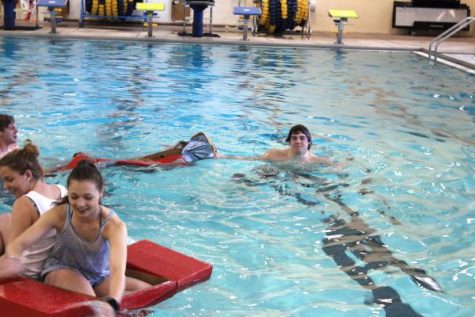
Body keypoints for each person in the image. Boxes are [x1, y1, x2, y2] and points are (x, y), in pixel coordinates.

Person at [0, 159, 149, 312]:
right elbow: (21, 243)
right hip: (62, 270)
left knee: (147, 293)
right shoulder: (60, 214)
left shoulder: (114, 226)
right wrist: (12, 255)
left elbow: (117, 270)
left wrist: (113, 303)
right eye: (74, 196)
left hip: (99, 276)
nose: (80, 204)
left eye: (88, 197)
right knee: (92, 308)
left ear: (100, 192)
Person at [0, 140, 67, 278]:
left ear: (28, 175)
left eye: (9, 179)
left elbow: (12, 257)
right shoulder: (62, 191)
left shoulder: (25, 203)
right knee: (5, 218)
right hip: (52, 265)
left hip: (28, 273)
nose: (6, 186)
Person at [47, 132, 217, 174]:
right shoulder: (187, 155)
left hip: (160, 161)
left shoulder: (180, 151)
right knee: (117, 163)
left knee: (117, 162)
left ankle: (78, 162)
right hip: (159, 163)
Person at [261, 124, 332, 165]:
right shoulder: (274, 154)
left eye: (302, 138)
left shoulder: (316, 161)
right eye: (294, 138)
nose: (298, 141)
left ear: (309, 142)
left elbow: (336, 167)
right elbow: (255, 160)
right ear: (289, 142)